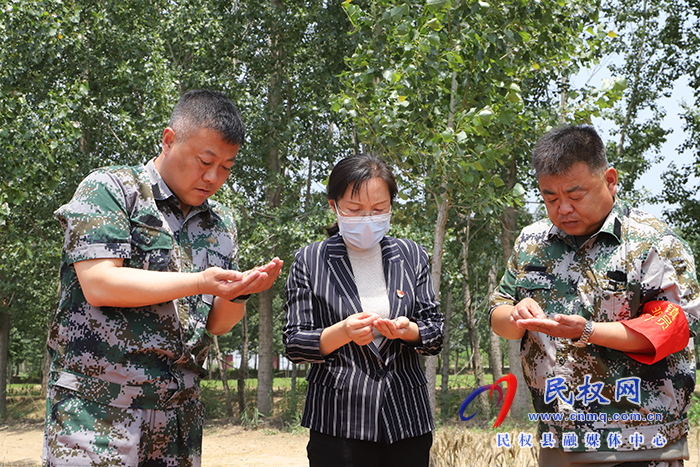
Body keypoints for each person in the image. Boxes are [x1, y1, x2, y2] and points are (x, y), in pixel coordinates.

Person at [43, 89, 283, 466]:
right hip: (98, 412)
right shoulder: (112, 189)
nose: (213, 177)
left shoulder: (220, 222)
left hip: (177, 418)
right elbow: (100, 284)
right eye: (205, 161)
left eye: (226, 167)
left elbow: (216, 325)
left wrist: (239, 294)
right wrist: (200, 281)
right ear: (169, 140)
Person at [490, 125, 700, 467]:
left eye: (575, 195)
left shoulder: (653, 243)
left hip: (636, 439)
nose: (563, 209)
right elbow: (499, 311)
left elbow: (673, 329)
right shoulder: (532, 242)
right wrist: (516, 314)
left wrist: (586, 331)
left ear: (610, 180)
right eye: (550, 198)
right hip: (560, 437)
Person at [283, 154, 444, 467]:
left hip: (406, 417)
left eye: (379, 210)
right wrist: (342, 332)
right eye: (355, 210)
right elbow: (294, 343)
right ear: (335, 206)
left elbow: (435, 331)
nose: (368, 218)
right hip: (339, 420)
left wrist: (407, 330)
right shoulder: (310, 260)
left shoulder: (411, 255)